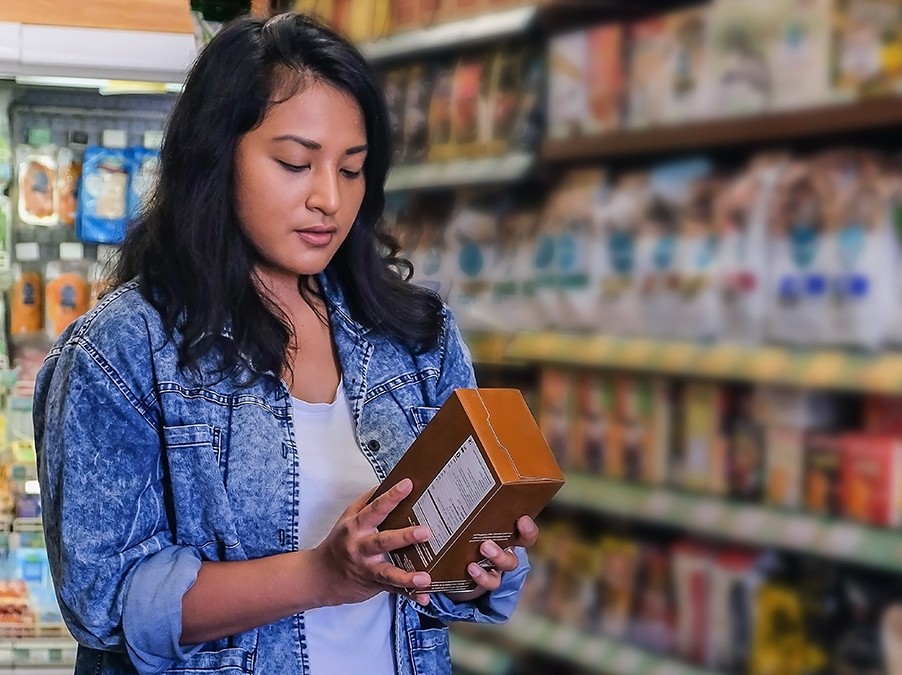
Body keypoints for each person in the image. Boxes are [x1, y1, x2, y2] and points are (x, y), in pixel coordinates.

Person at [33, 13, 538, 675]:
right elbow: (110, 604)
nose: (329, 198)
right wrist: (321, 574)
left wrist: (476, 568)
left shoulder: (416, 337)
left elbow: (437, 586)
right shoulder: (121, 350)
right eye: (296, 163)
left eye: (352, 171)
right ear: (217, 155)